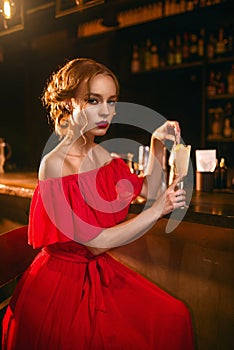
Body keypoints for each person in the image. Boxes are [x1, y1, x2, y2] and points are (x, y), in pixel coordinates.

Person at [2, 58, 194, 349]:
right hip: (61, 283)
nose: (107, 111)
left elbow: (150, 189)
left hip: (98, 272)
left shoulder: (104, 157)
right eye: (94, 101)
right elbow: (94, 242)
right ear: (69, 104)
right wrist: (157, 211)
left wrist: (156, 142)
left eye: (112, 101)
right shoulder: (54, 164)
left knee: (173, 315)